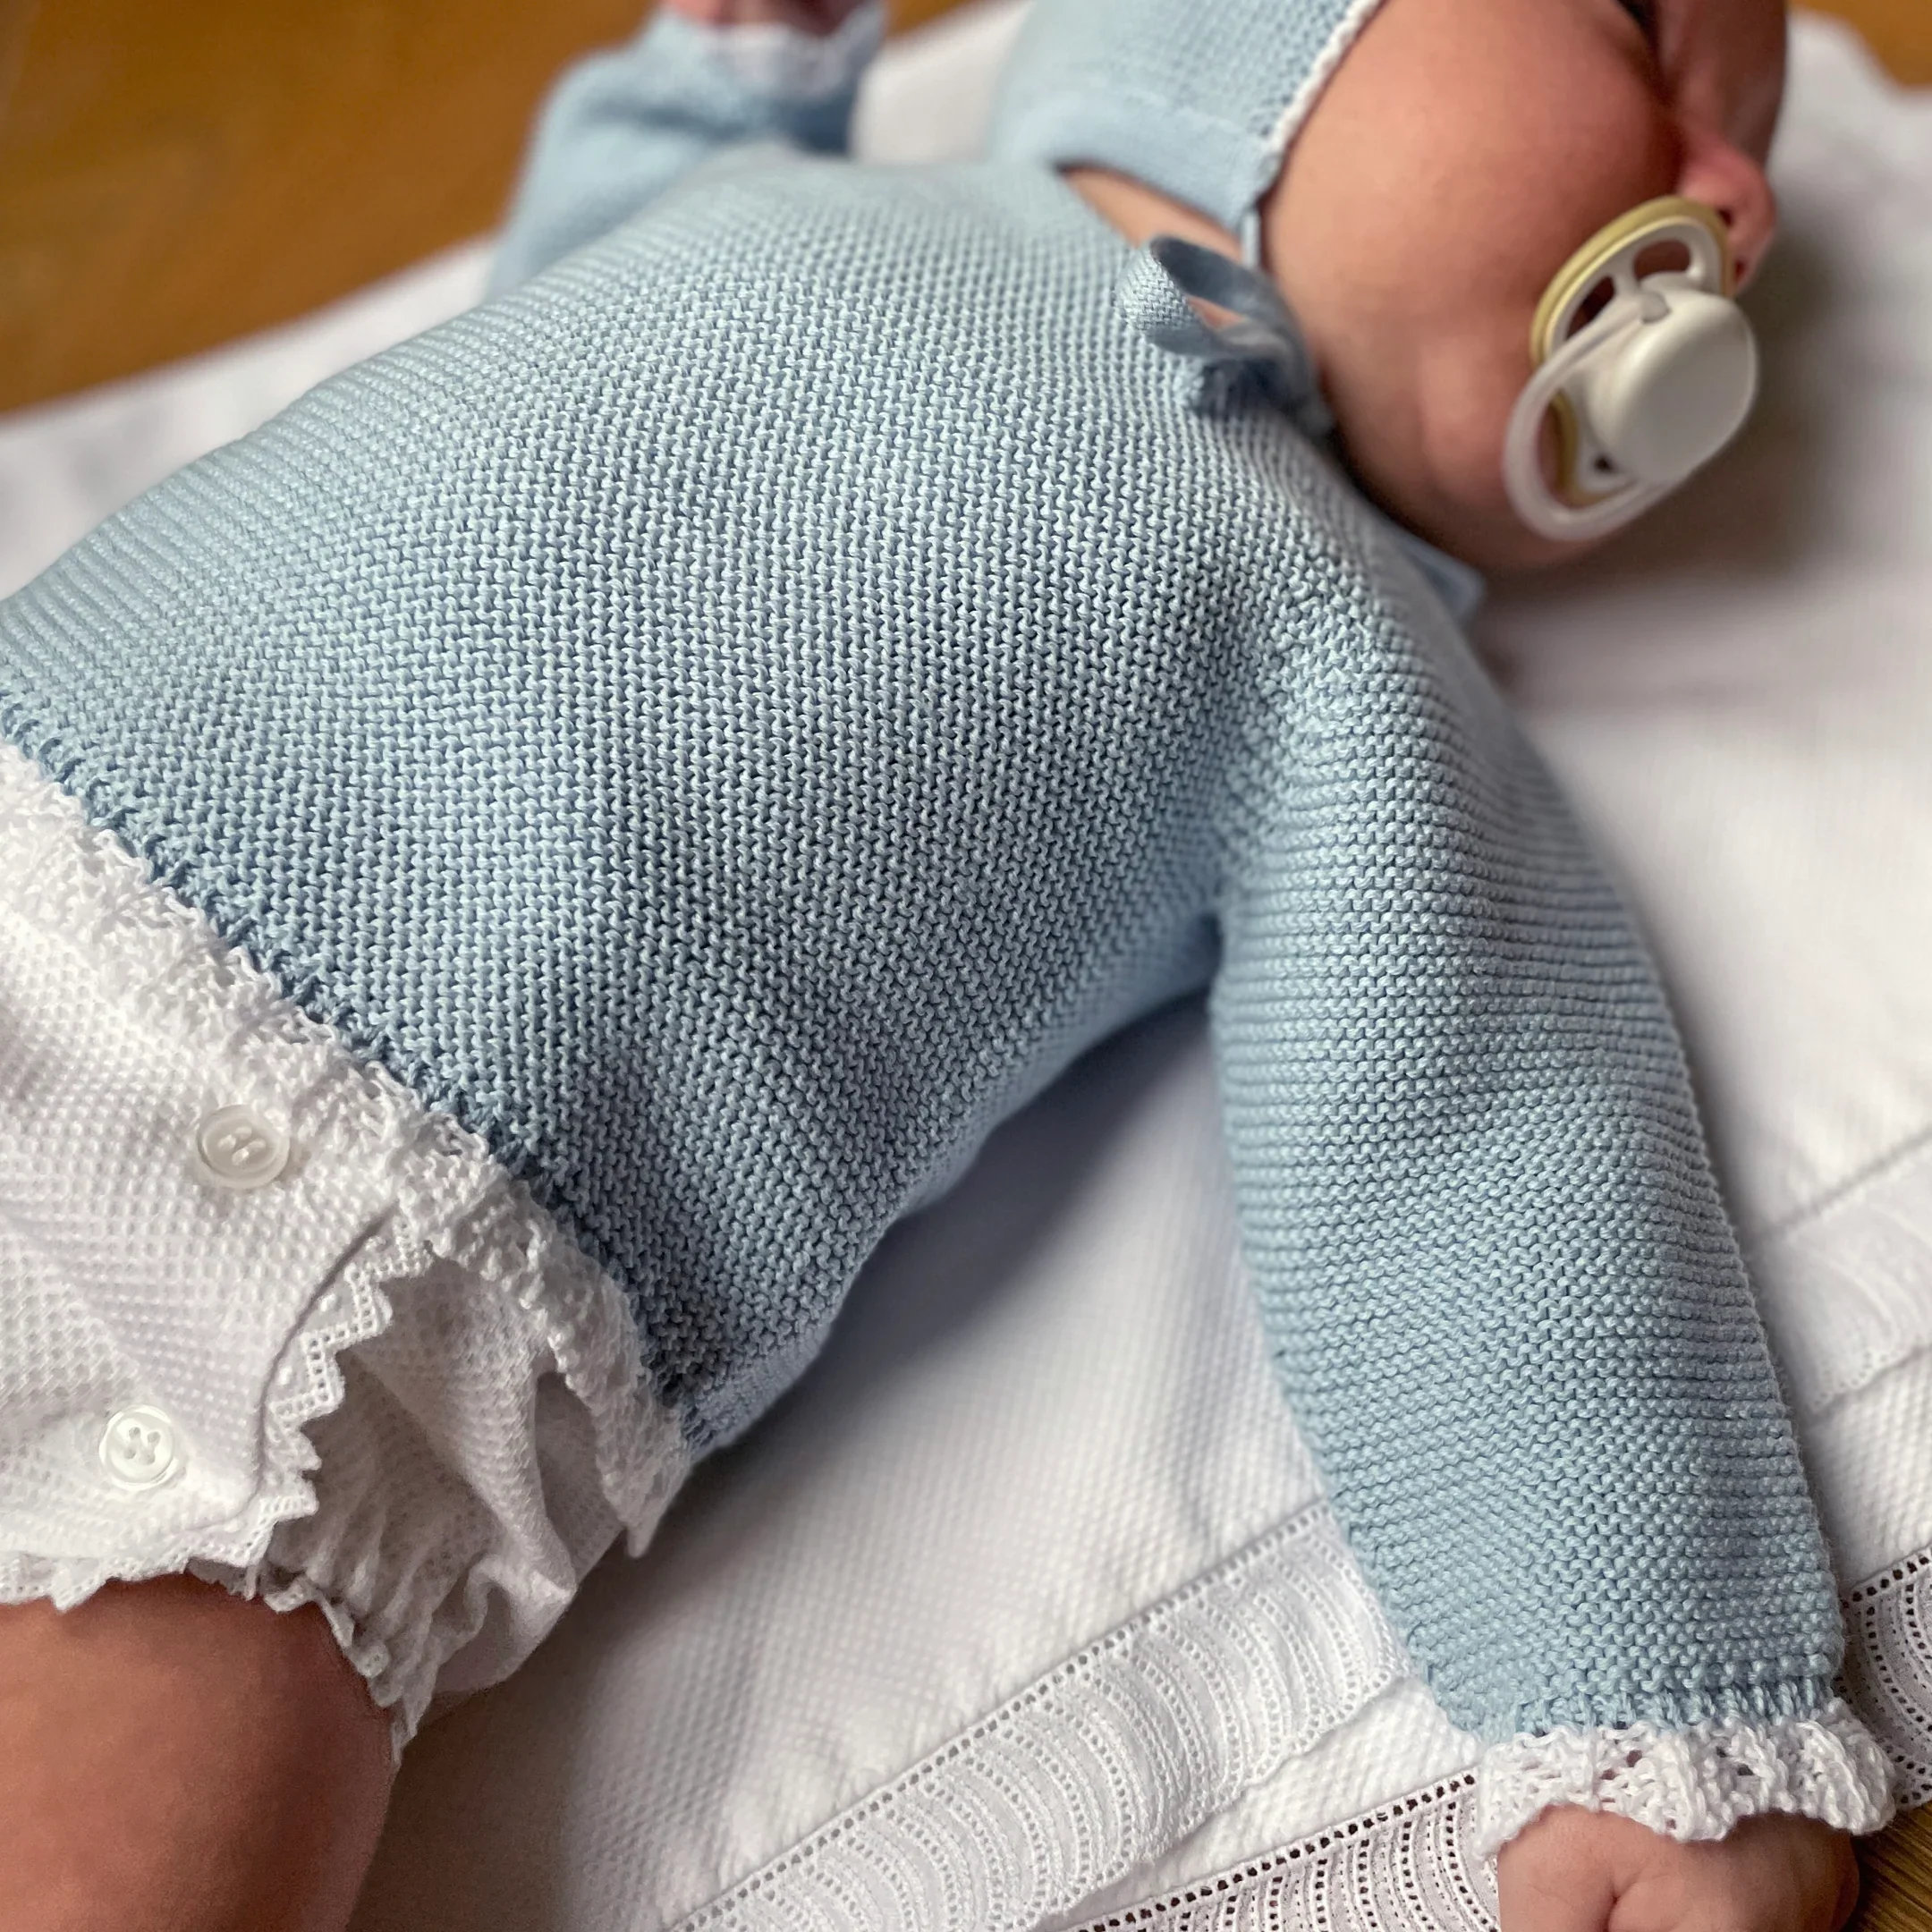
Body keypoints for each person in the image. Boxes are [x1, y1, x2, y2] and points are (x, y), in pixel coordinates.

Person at [0, 0, 1897, 1927]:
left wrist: (1651, 1702)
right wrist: (715, 78)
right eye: (1643, 42)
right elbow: (549, 306)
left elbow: (1475, 1135)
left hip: (297, 1312)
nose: (1730, 208)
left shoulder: (1329, 631)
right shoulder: (793, 200)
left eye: (1744, 158)